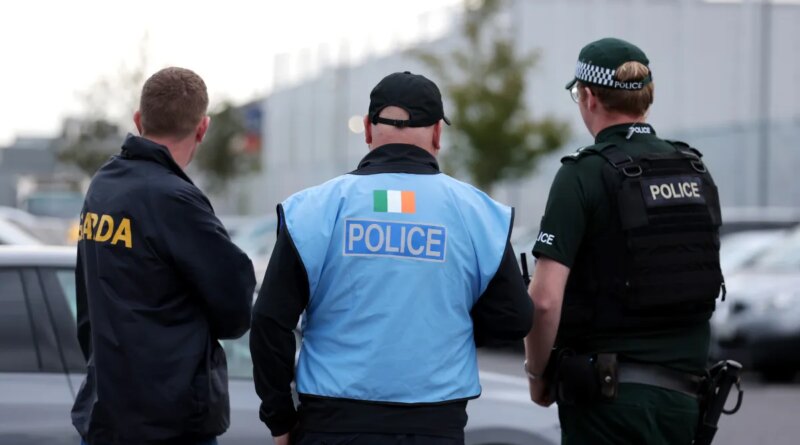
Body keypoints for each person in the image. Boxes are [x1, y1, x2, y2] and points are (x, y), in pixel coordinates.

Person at [250, 71, 533, 445]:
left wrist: (280, 419)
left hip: (333, 423)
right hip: (434, 425)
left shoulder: (315, 209)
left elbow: (270, 321)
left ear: (368, 129)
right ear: (437, 133)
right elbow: (514, 319)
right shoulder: (478, 213)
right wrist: (448, 327)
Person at [524, 38, 725, 445]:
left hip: (606, 406)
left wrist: (537, 374)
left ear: (588, 97)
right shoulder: (694, 169)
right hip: (685, 403)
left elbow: (544, 299)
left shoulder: (582, 175)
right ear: (646, 99)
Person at [71, 67, 256, 445]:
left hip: (107, 413)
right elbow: (237, 305)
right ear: (202, 129)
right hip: (170, 422)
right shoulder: (174, 199)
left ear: (139, 120)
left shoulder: (103, 186)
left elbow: (90, 303)